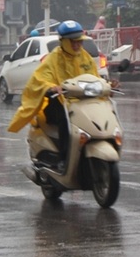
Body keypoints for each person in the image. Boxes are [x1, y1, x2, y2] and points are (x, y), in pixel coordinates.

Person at [7, 20, 100, 169]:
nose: (77, 45)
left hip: (82, 103)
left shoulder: (85, 57)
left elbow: (95, 77)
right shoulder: (53, 58)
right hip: (61, 102)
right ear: (63, 41)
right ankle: (64, 158)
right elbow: (40, 79)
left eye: (79, 41)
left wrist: (107, 85)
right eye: (73, 42)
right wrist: (51, 87)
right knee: (66, 120)